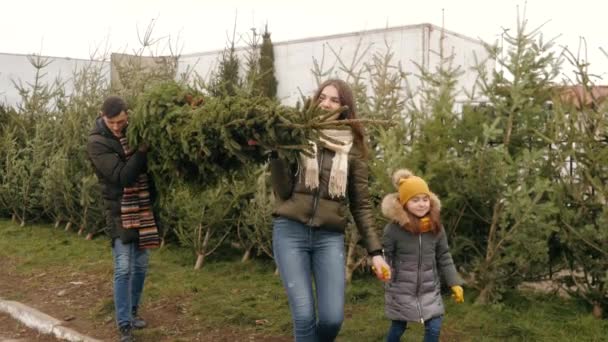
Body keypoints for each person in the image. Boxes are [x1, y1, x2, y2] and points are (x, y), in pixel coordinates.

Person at [270, 79, 390, 342]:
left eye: (335, 100)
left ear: (345, 107)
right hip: (290, 232)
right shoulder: (299, 134)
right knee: (303, 317)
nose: (326, 103)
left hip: (328, 237)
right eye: (323, 97)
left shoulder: (353, 148)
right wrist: (276, 155)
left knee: (332, 319)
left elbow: (361, 204)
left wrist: (376, 253)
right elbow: (283, 191)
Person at [87, 95, 161, 342]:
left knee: (140, 266)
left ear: (127, 114)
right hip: (119, 211)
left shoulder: (135, 129)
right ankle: (124, 324)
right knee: (123, 267)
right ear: (102, 116)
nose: (118, 126)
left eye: (121, 121)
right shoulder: (97, 143)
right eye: (112, 122)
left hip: (142, 208)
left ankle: (132, 312)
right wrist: (141, 152)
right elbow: (122, 177)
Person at [380, 169, 464, 342]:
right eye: (415, 200)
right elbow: (385, 255)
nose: (422, 204)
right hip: (401, 289)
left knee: (434, 326)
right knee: (398, 326)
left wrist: (454, 282)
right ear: (404, 203)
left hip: (429, 289)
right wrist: (382, 268)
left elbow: (444, 256)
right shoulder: (394, 229)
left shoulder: (436, 228)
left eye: (425, 199)